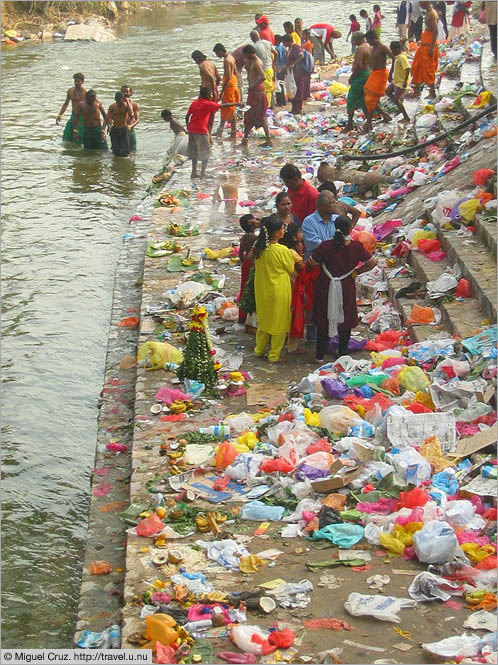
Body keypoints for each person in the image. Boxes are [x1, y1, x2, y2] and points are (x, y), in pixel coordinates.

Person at [307, 216, 377, 362]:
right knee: (345, 317)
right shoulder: (356, 247)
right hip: (346, 286)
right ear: (350, 230)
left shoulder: (326, 246)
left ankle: (320, 355)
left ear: (334, 227)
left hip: (326, 286)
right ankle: (343, 353)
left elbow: (312, 263)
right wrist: (356, 271)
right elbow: (372, 262)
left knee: (324, 317)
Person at [253, 217, 295, 362]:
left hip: (262, 289)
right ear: (276, 233)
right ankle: (274, 355)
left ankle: (259, 350)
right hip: (279, 289)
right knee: (279, 323)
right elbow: (290, 268)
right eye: (282, 228)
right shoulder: (281, 250)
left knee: (264, 321)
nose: (284, 231)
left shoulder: (259, 248)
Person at [185, 86, 243, 178]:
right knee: (206, 151)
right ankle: (202, 174)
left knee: (194, 152)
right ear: (207, 95)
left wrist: (188, 127)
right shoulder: (207, 104)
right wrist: (237, 103)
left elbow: (187, 116)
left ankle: (194, 172)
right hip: (201, 130)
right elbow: (223, 106)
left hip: (192, 129)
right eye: (210, 94)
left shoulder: (195, 103)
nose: (211, 96)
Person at [241, 44, 273, 147]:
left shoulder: (257, 62)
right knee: (251, 115)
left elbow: (263, 77)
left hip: (258, 93)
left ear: (249, 54)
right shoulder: (251, 61)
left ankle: (246, 139)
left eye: (246, 55)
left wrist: (253, 85)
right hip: (253, 92)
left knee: (256, 116)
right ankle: (246, 139)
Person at [363, 30, 392, 131]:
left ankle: (368, 123)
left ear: (373, 38)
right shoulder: (373, 48)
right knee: (367, 97)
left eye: (368, 40)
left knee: (372, 99)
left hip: (381, 75)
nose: (368, 42)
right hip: (374, 74)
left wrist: (392, 73)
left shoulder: (382, 47)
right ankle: (385, 115)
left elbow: (393, 57)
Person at [411, 1, 439, 99]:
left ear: (425, 3)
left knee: (428, 69)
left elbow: (435, 31)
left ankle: (432, 92)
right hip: (424, 44)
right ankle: (416, 90)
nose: (419, 5)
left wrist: (431, 47)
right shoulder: (428, 12)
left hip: (429, 46)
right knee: (417, 66)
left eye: (421, 4)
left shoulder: (432, 14)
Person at [344, 31, 372, 131]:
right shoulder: (368, 46)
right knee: (363, 98)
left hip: (361, 75)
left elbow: (358, 65)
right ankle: (369, 122)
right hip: (368, 73)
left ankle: (350, 124)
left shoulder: (360, 48)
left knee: (351, 99)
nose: (354, 42)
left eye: (354, 40)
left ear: (359, 38)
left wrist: (352, 77)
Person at [213, 43, 240, 138]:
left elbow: (228, 76)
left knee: (227, 108)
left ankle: (223, 131)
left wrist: (222, 91)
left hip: (229, 86)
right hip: (234, 83)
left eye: (217, 54)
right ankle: (232, 131)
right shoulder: (231, 57)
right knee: (231, 108)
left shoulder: (227, 60)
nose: (217, 56)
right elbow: (235, 72)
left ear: (220, 51)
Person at [301, 190, 338, 258]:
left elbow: (346, 239)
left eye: (335, 202)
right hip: (316, 264)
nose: (335, 205)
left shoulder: (337, 219)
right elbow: (316, 245)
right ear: (322, 207)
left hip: (333, 263)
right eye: (332, 202)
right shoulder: (309, 222)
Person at [238, 214, 260, 325]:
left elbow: (240, 253)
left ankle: (242, 316)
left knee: (244, 288)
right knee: (252, 289)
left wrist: (243, 262)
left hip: (246, 265)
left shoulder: (245, 237)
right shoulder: (255, 238)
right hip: (252, 264)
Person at [191, 50, 220, 132]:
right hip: (213, 89)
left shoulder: (202, 65)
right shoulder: (211, 63)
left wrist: (211, 90)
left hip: (206, 91)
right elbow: (218, 78)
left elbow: (210, 77)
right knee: (211, 113)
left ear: (198, 58)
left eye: (195, 60)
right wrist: (215, 89)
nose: (195, 62)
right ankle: (209, 132)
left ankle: (203, 131)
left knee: (201, 111)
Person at [280, 33, 307, 115]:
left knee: (297, 90)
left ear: (287, 41)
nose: (283, 44)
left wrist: (294, 64)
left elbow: (301, 56)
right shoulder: (290, 49)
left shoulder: (295, 47)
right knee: (292, 90)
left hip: (297, 72)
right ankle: (294, 108)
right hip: (291, 73)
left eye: (284, 42)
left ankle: (298, 109)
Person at [57, 72, 86, 144]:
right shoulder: (70, 91)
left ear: (82, 82)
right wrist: (60, 115)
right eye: (75, 81)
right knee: (67, 138)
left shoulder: (85, 93)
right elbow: (66, 104)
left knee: (80, 138)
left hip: (82, 117)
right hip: (73, 116)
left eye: (78, 81)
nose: (76, 83)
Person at [386, 40, 412, 123]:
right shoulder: (397, 57)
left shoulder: (402, 57)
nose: (391, 52)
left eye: (392, 50)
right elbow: (394, 65)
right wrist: (390, 74)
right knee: (387, 91)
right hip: (396, 80)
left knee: (396, 99)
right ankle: (400, 106)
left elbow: (408, 68)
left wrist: (405, 81)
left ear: (397, 49)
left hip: (401, 82)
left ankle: (406, 117)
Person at [250, 30, 275, 106]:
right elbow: (276, 53)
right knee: (270, 88)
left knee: (266, 90)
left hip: (263, 69)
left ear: (252, 38)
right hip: (270, 68)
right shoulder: (267, 42)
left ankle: (266, 107)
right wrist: (274, 64)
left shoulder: (255, 47)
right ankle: (269, 105)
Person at [104, 92, 131, 157]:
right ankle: (116, 164)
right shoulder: (112, 106)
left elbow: (131, 113)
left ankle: (124, 164)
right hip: (115, 129)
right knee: (115, 150)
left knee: (125, 151)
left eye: (120, 101)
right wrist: (103, 130)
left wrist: (127, 102)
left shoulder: (126, 106)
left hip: (123, 129)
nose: (118, 103)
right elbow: (106, 119)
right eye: (117, 101)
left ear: (123, 99)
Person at [121, 85, 139, 152]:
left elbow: (137, 120)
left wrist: (130, 126)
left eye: (127, 92)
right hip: (120, 130)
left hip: (130, 130)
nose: (125, 94)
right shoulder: (117, 105)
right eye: (123, 92)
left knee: (132, 150)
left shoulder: (134, 105)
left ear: (130, 93)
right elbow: (110, 117)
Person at [274, 35, 288, 106]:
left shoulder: (277, 49)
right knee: (282, 84)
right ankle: (284, 101)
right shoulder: (283, 47)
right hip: (283, 67)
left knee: (278, 85)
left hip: (279, 68)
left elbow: (277, 59)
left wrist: (276, 68)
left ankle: (280, 102)